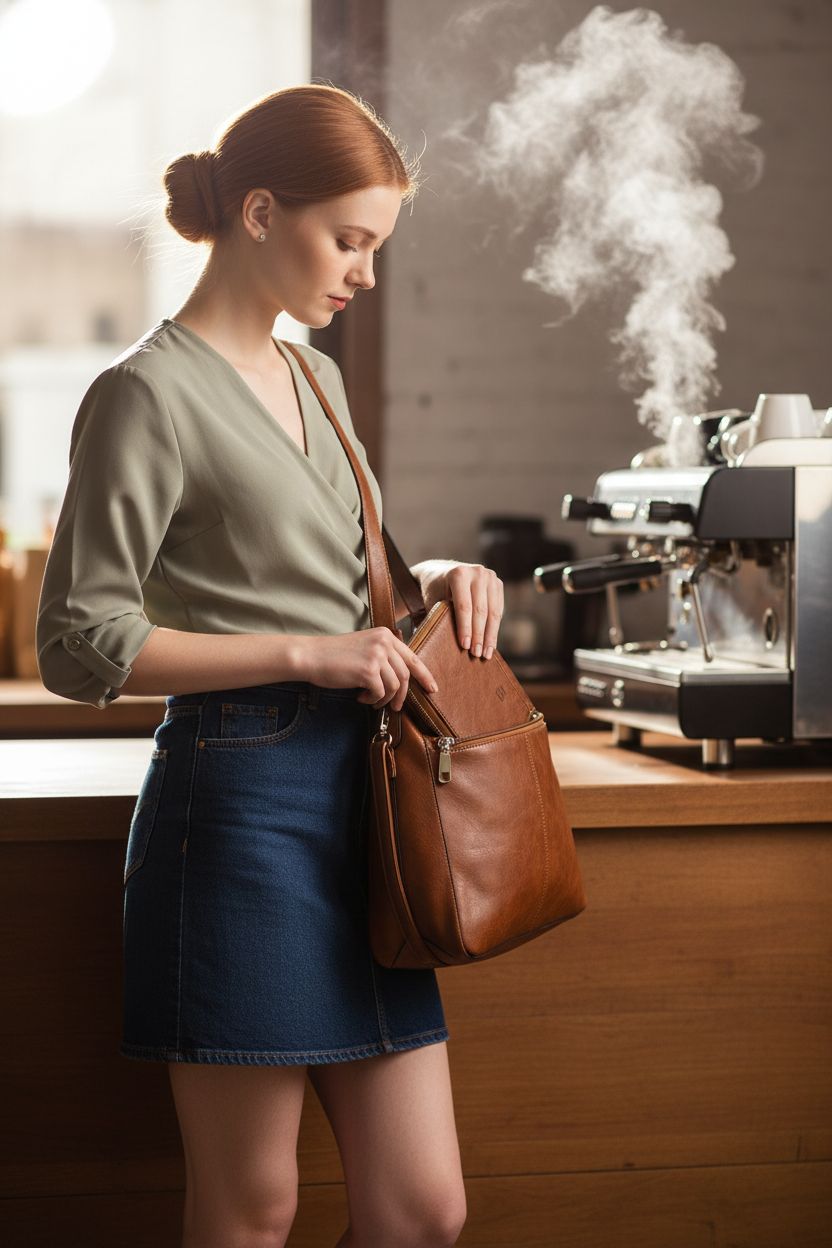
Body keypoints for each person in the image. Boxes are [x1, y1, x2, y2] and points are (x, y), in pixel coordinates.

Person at [35, 85, 505, 1247]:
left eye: (377, 247)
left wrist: (433, 574)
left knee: (421, 1210)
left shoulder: (317, 381)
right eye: (349, 240)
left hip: (366, 813)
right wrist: (307, 653)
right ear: (257, 212)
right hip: (236, 809)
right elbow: (78, 643)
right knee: (253, 1210)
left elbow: (341, 581)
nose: (365, 273)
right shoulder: (144, 396)